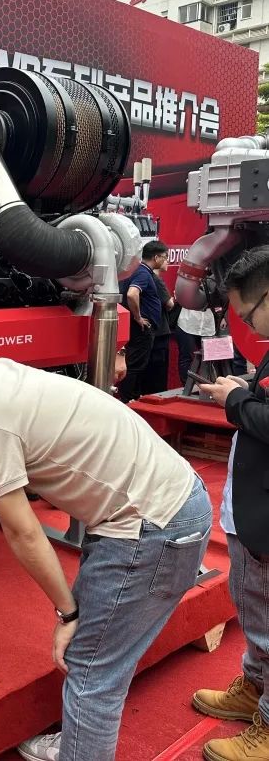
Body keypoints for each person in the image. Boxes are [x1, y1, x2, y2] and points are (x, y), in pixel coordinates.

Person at [0, 327, 212, 761]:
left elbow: (24, 532)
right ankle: (79, 743)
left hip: (151, 529)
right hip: (178, 500)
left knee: (91, 672)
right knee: (97, 657)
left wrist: (68, 613)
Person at [192, 245, 269, 760]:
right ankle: (255, 687)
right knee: (253, 607)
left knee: (267, 618)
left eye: (249, 314)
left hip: (264, 513)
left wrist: (237, 400)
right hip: (253, 505)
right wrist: (248, 387)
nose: (248, 326)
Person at [117, 239, 169, 402]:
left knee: (137, 365)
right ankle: (128, 400)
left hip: (139, 328)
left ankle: (133, 397)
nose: (165, 260)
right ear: (156, 257)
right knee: (135, 365)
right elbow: (132, 294)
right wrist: (138, 317)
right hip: (141, 329)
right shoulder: (143, 273)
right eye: (164, 257)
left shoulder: (137, 271)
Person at [141, 257, 175, 395]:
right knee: (157, 370)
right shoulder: (155, 279)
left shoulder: (143, 276)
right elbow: (169, 304)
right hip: (158, 331)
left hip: (152, 330)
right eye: (165, 257)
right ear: (156, 258)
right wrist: (174, 299)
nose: (168, 262)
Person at [175, 307, 216, 386]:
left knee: (210, 358)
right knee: (186, 358)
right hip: (187, 323)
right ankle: (187, 387)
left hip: (208, 326)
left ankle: (209, 386)